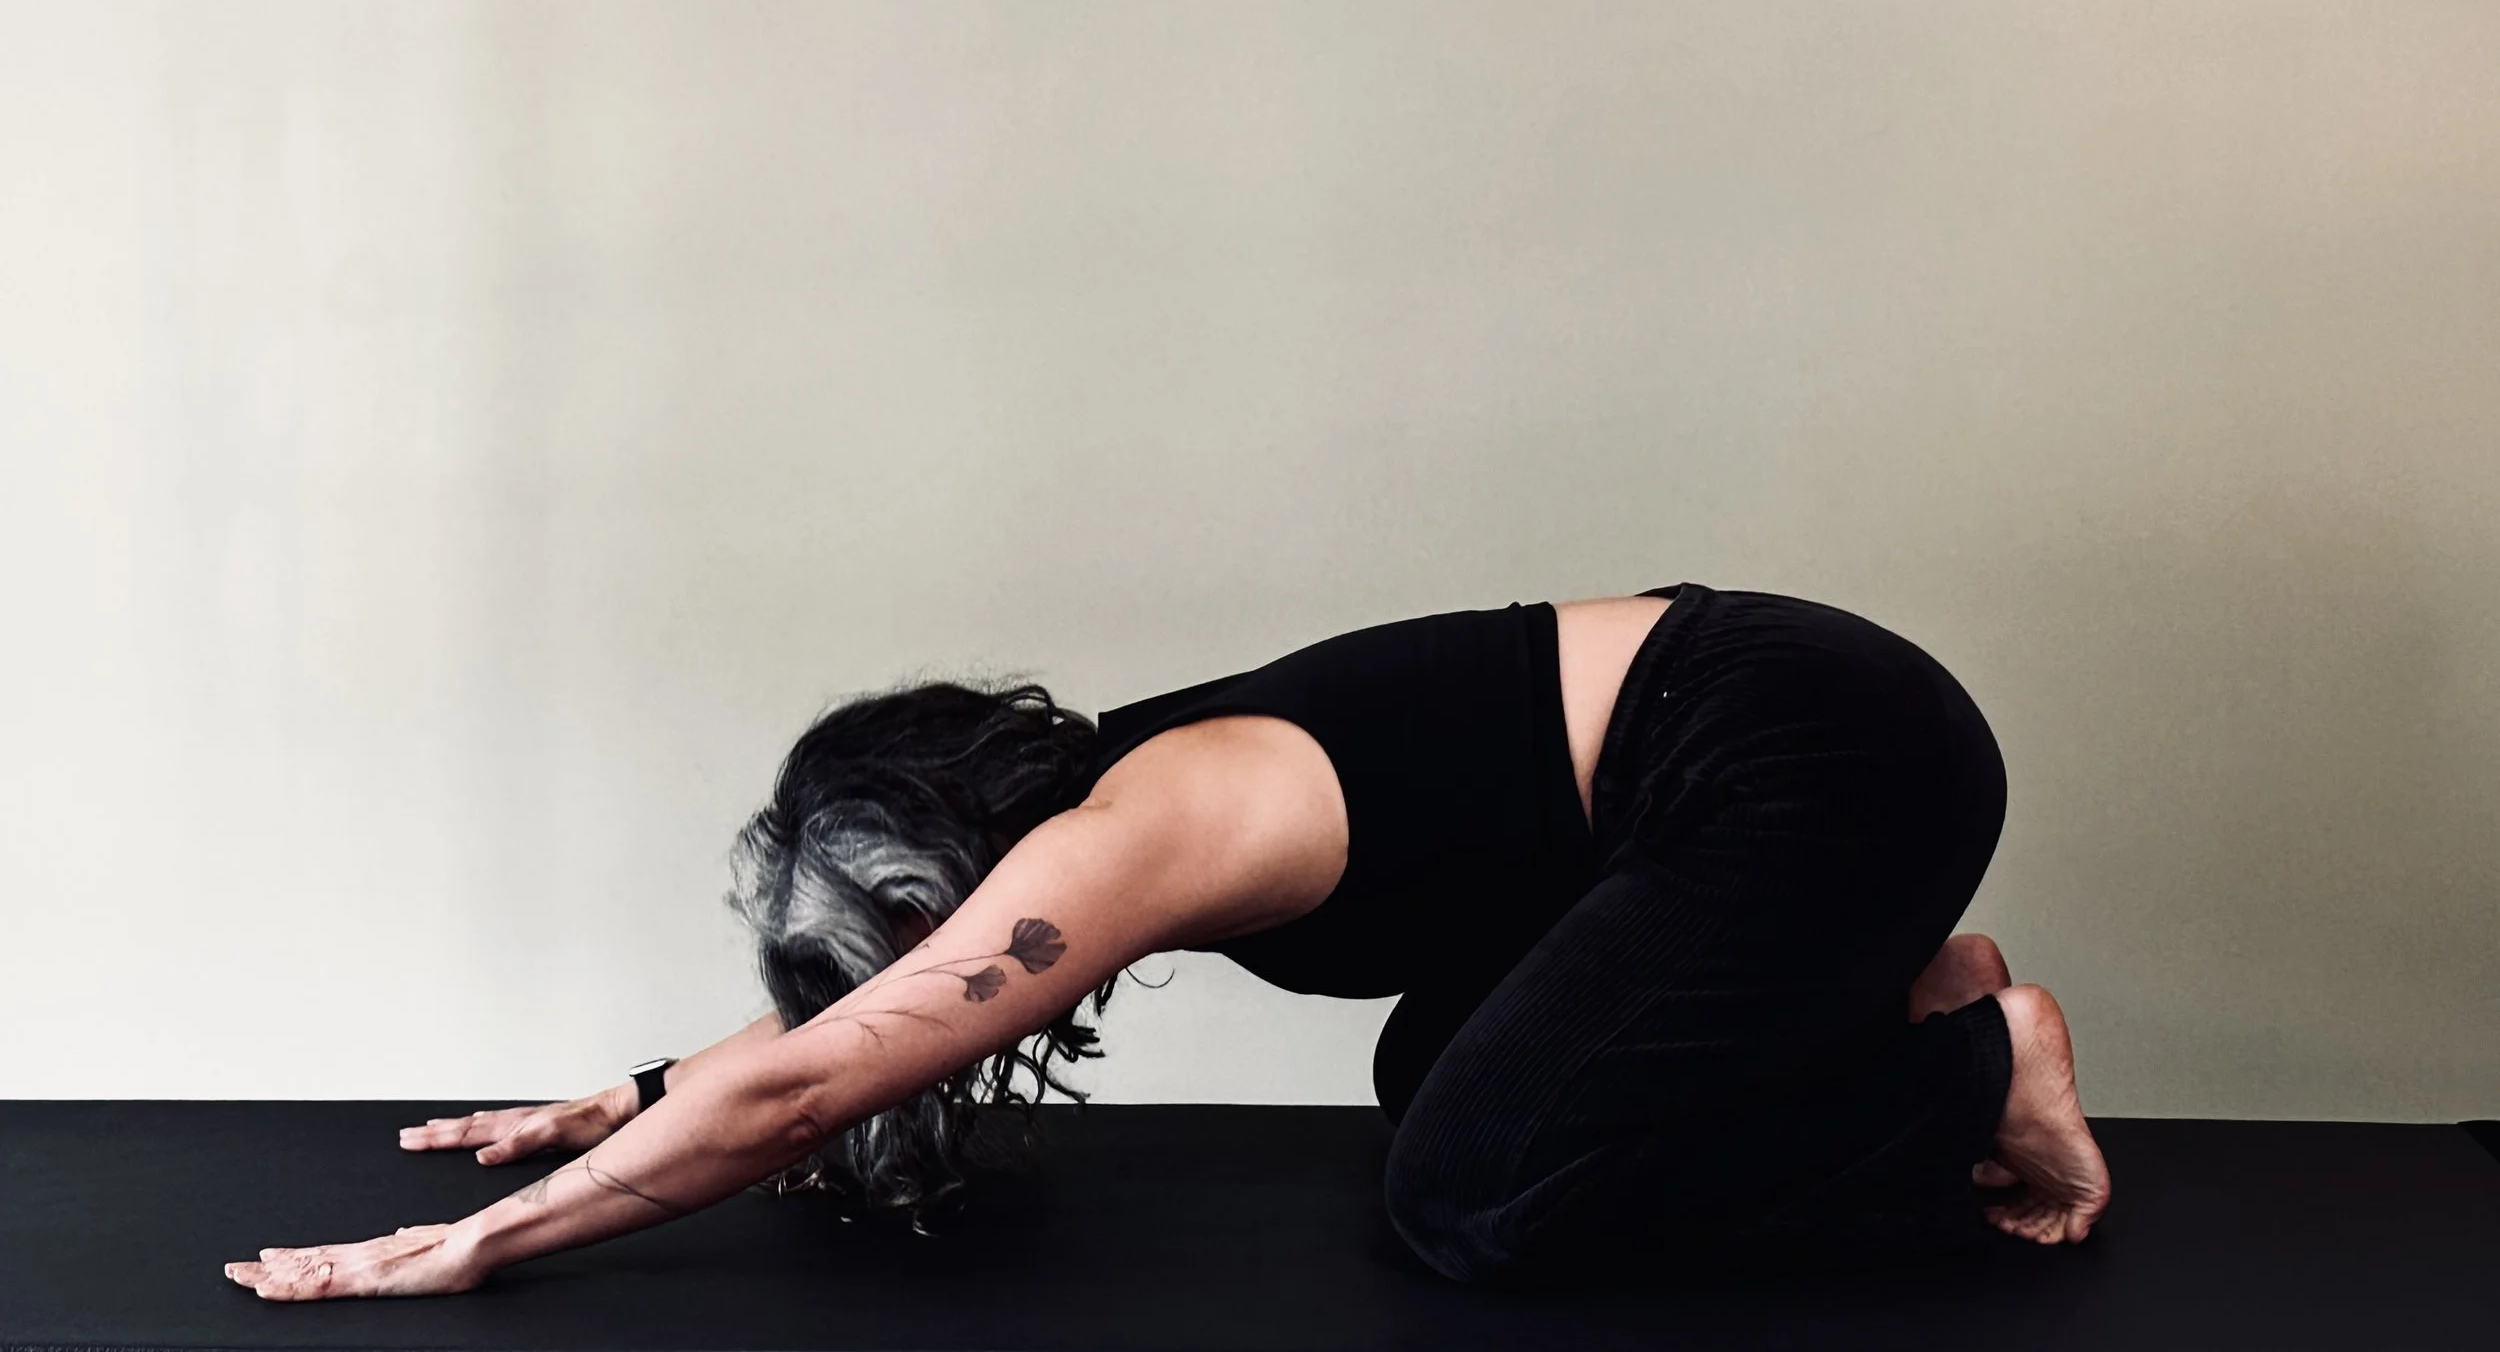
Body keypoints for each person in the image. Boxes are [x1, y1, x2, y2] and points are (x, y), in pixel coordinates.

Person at [225, 582, 2111, 1301]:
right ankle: (1903, 996)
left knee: (1475, 1199)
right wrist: (625, 1094)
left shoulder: (1125, 840)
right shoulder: (1086, 804)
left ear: (969, 862)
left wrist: (483, 1244)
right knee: (1436, 1075)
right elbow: (854, 1026)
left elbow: (820, 1082)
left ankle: (1975, 1067)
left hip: (1820, 755)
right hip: (1731, 782)